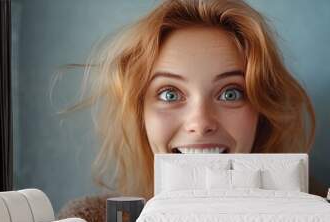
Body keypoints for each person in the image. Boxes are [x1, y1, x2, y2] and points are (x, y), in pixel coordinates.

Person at [57, 0, 316, 204]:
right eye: (170, 94)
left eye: (230, 93)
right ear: (140, 113)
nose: (201, 123)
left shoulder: (321, 221)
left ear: (262, 110)